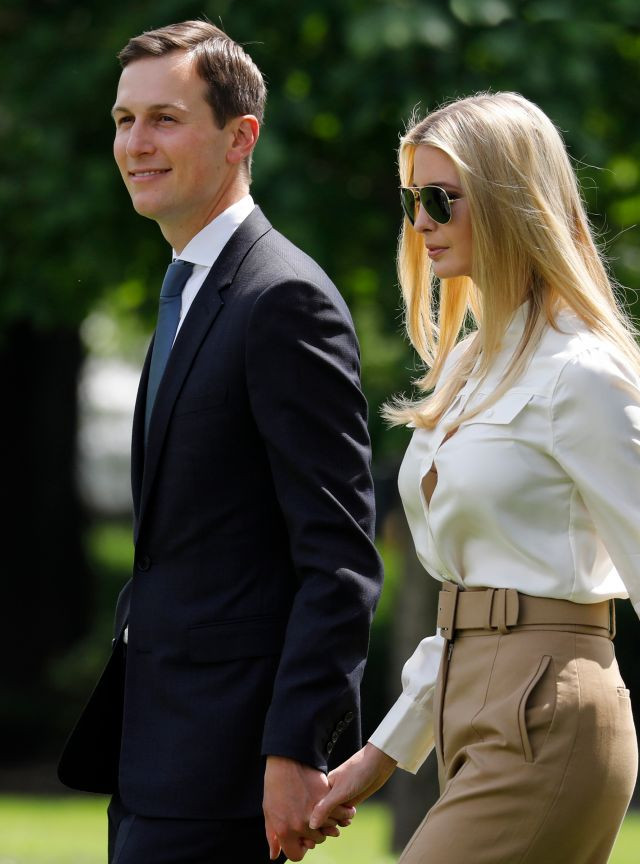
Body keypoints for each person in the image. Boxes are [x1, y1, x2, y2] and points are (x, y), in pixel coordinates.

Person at [310, 92, 640, 864]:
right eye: (411, 201)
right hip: (470, 707)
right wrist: (381, 754)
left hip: (550, 714)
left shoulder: (581, 372)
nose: (421, 222)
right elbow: (470, 604)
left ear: (509, 200)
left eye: (440, 200)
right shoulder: (466, 366)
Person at [57, 20, 383, 864]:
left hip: (231, 765)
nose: (136, 143)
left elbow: (339, 558)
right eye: (124, 121)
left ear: (241, 138)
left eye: (164, 119)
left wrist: (296, 746)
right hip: (155, 755)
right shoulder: (190, 288)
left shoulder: (283, 300)